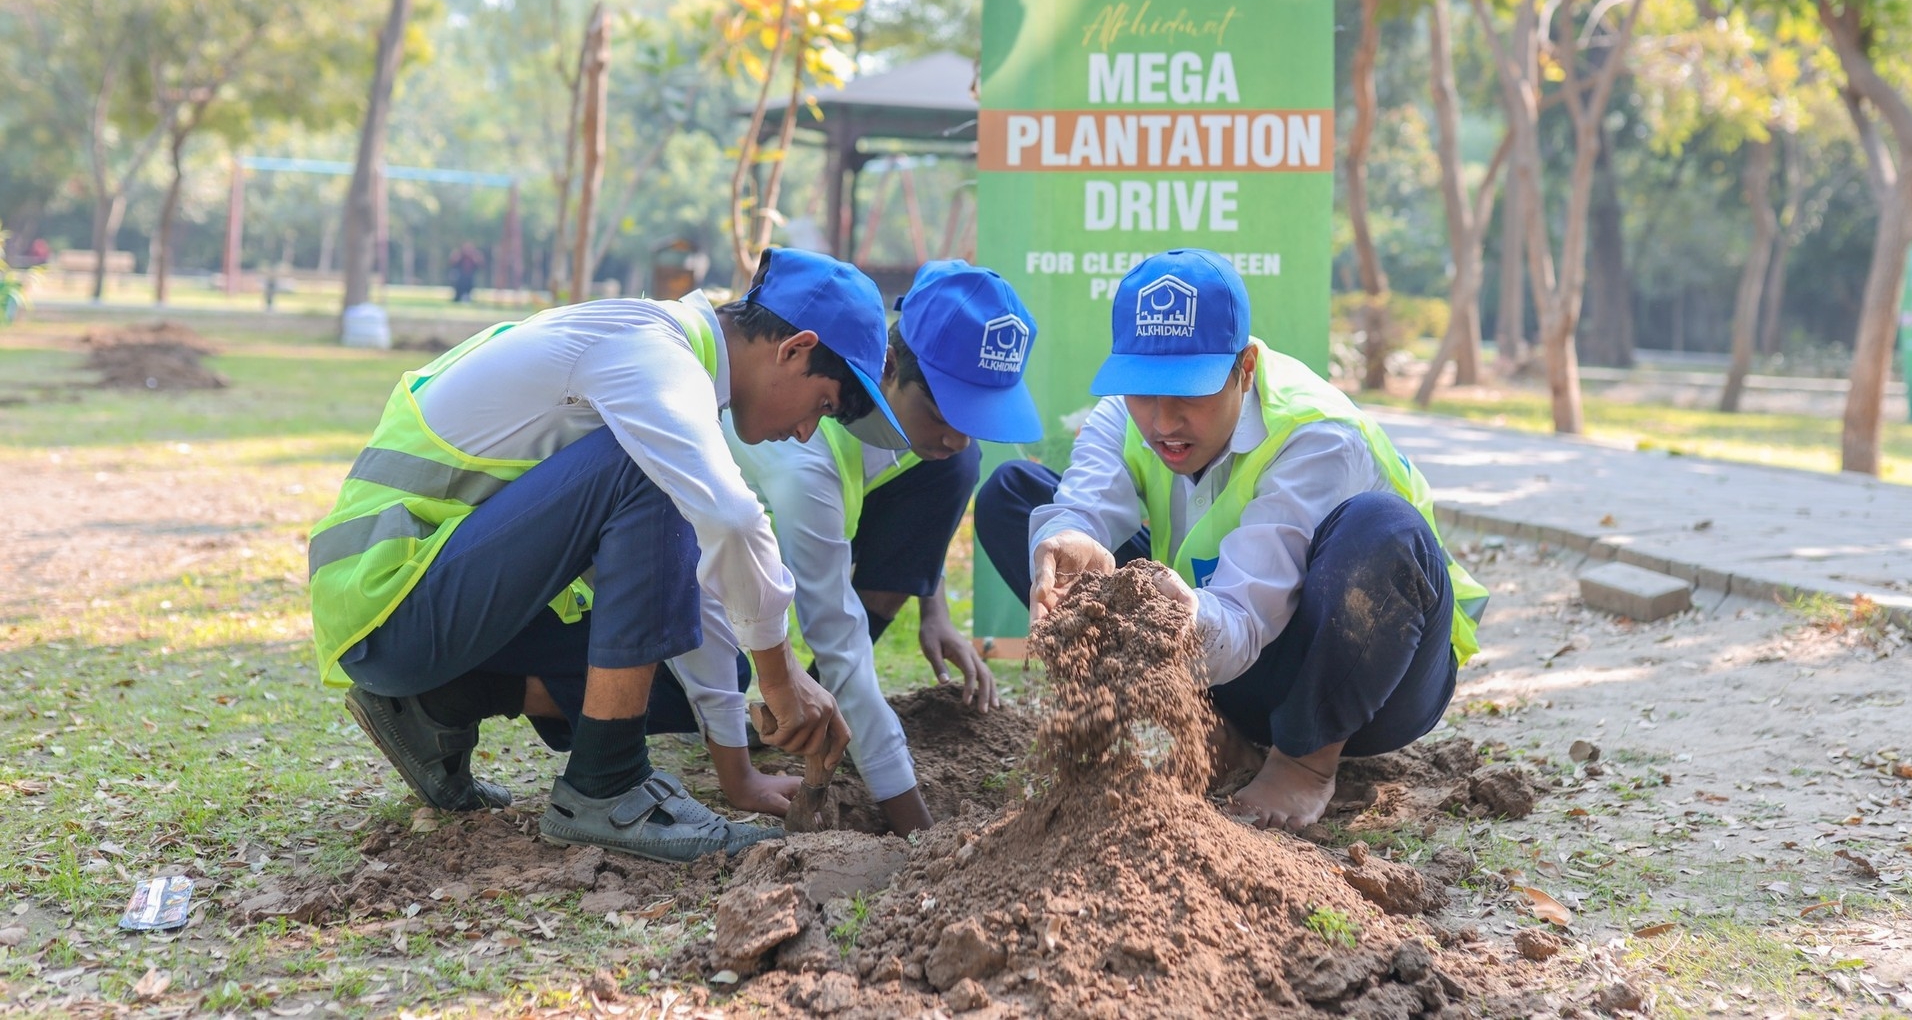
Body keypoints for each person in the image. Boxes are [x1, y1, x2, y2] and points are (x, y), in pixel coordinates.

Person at [309, 246, 909, 862]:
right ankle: (608, 784)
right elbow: (730, 519)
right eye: (824, 406)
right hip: (390, 604)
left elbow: (697, 593)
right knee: (645, 471)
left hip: (429, 602)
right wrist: (782, 678)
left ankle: (437, 703)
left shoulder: (667, 362)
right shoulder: (652, 354)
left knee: (709, 667)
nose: (808, 432)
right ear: (795, 349)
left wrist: (740, 776)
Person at [975, 249, 1489, 832]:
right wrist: (1071, 540)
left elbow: (1245, 617)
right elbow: (1085, 502)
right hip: (1225, 660)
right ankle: (1207, 730)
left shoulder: (1316, 433)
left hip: (1367, 675)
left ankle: (1305, 761)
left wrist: (1187, 615)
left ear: (1244, 368)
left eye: (1188, 393)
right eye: (1144, 391)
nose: (1164, 421)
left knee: (1385, 528)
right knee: (1016, 496)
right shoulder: (1122, 411)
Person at [674, 260, 1043, 835]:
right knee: (675, 701)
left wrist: (933, 604)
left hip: (801, 526)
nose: (958, 433)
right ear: (888, 366)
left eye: (976, 416)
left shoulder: (930, 440)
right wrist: (916, 827)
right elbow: (836, 634)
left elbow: (931, 478)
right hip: (696, 543)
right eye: (945, 410)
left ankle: (827, 705)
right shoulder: (805, 449)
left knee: (954, 464)